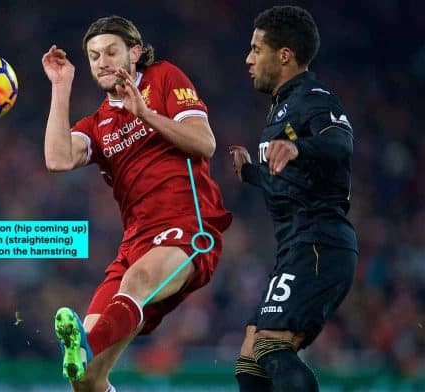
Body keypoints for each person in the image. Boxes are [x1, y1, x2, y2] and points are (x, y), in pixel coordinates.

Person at [41, 15, 231, 391]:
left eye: (111, 52)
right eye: (94, 56)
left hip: (188, 228)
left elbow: (205, 142)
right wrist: (61, 87)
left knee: (136, 281)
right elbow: (57, 159)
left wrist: (144, 113)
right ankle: (85, 352)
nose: (103, 62)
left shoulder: (163, 78)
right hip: (135, 243)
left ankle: (83, 347)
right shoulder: (98, 123)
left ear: (135, 52)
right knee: (88, 382)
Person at [229, 5, 358, 392]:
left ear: (284, 54)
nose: (248, 58)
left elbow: (340, 142)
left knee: (270, 344)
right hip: (297, 246)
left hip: (319, 242)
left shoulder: (314, 97)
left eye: (256, 49)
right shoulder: (282, 106)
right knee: (250, 360)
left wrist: (300, 149)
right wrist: (251, 172)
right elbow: (291, 181)